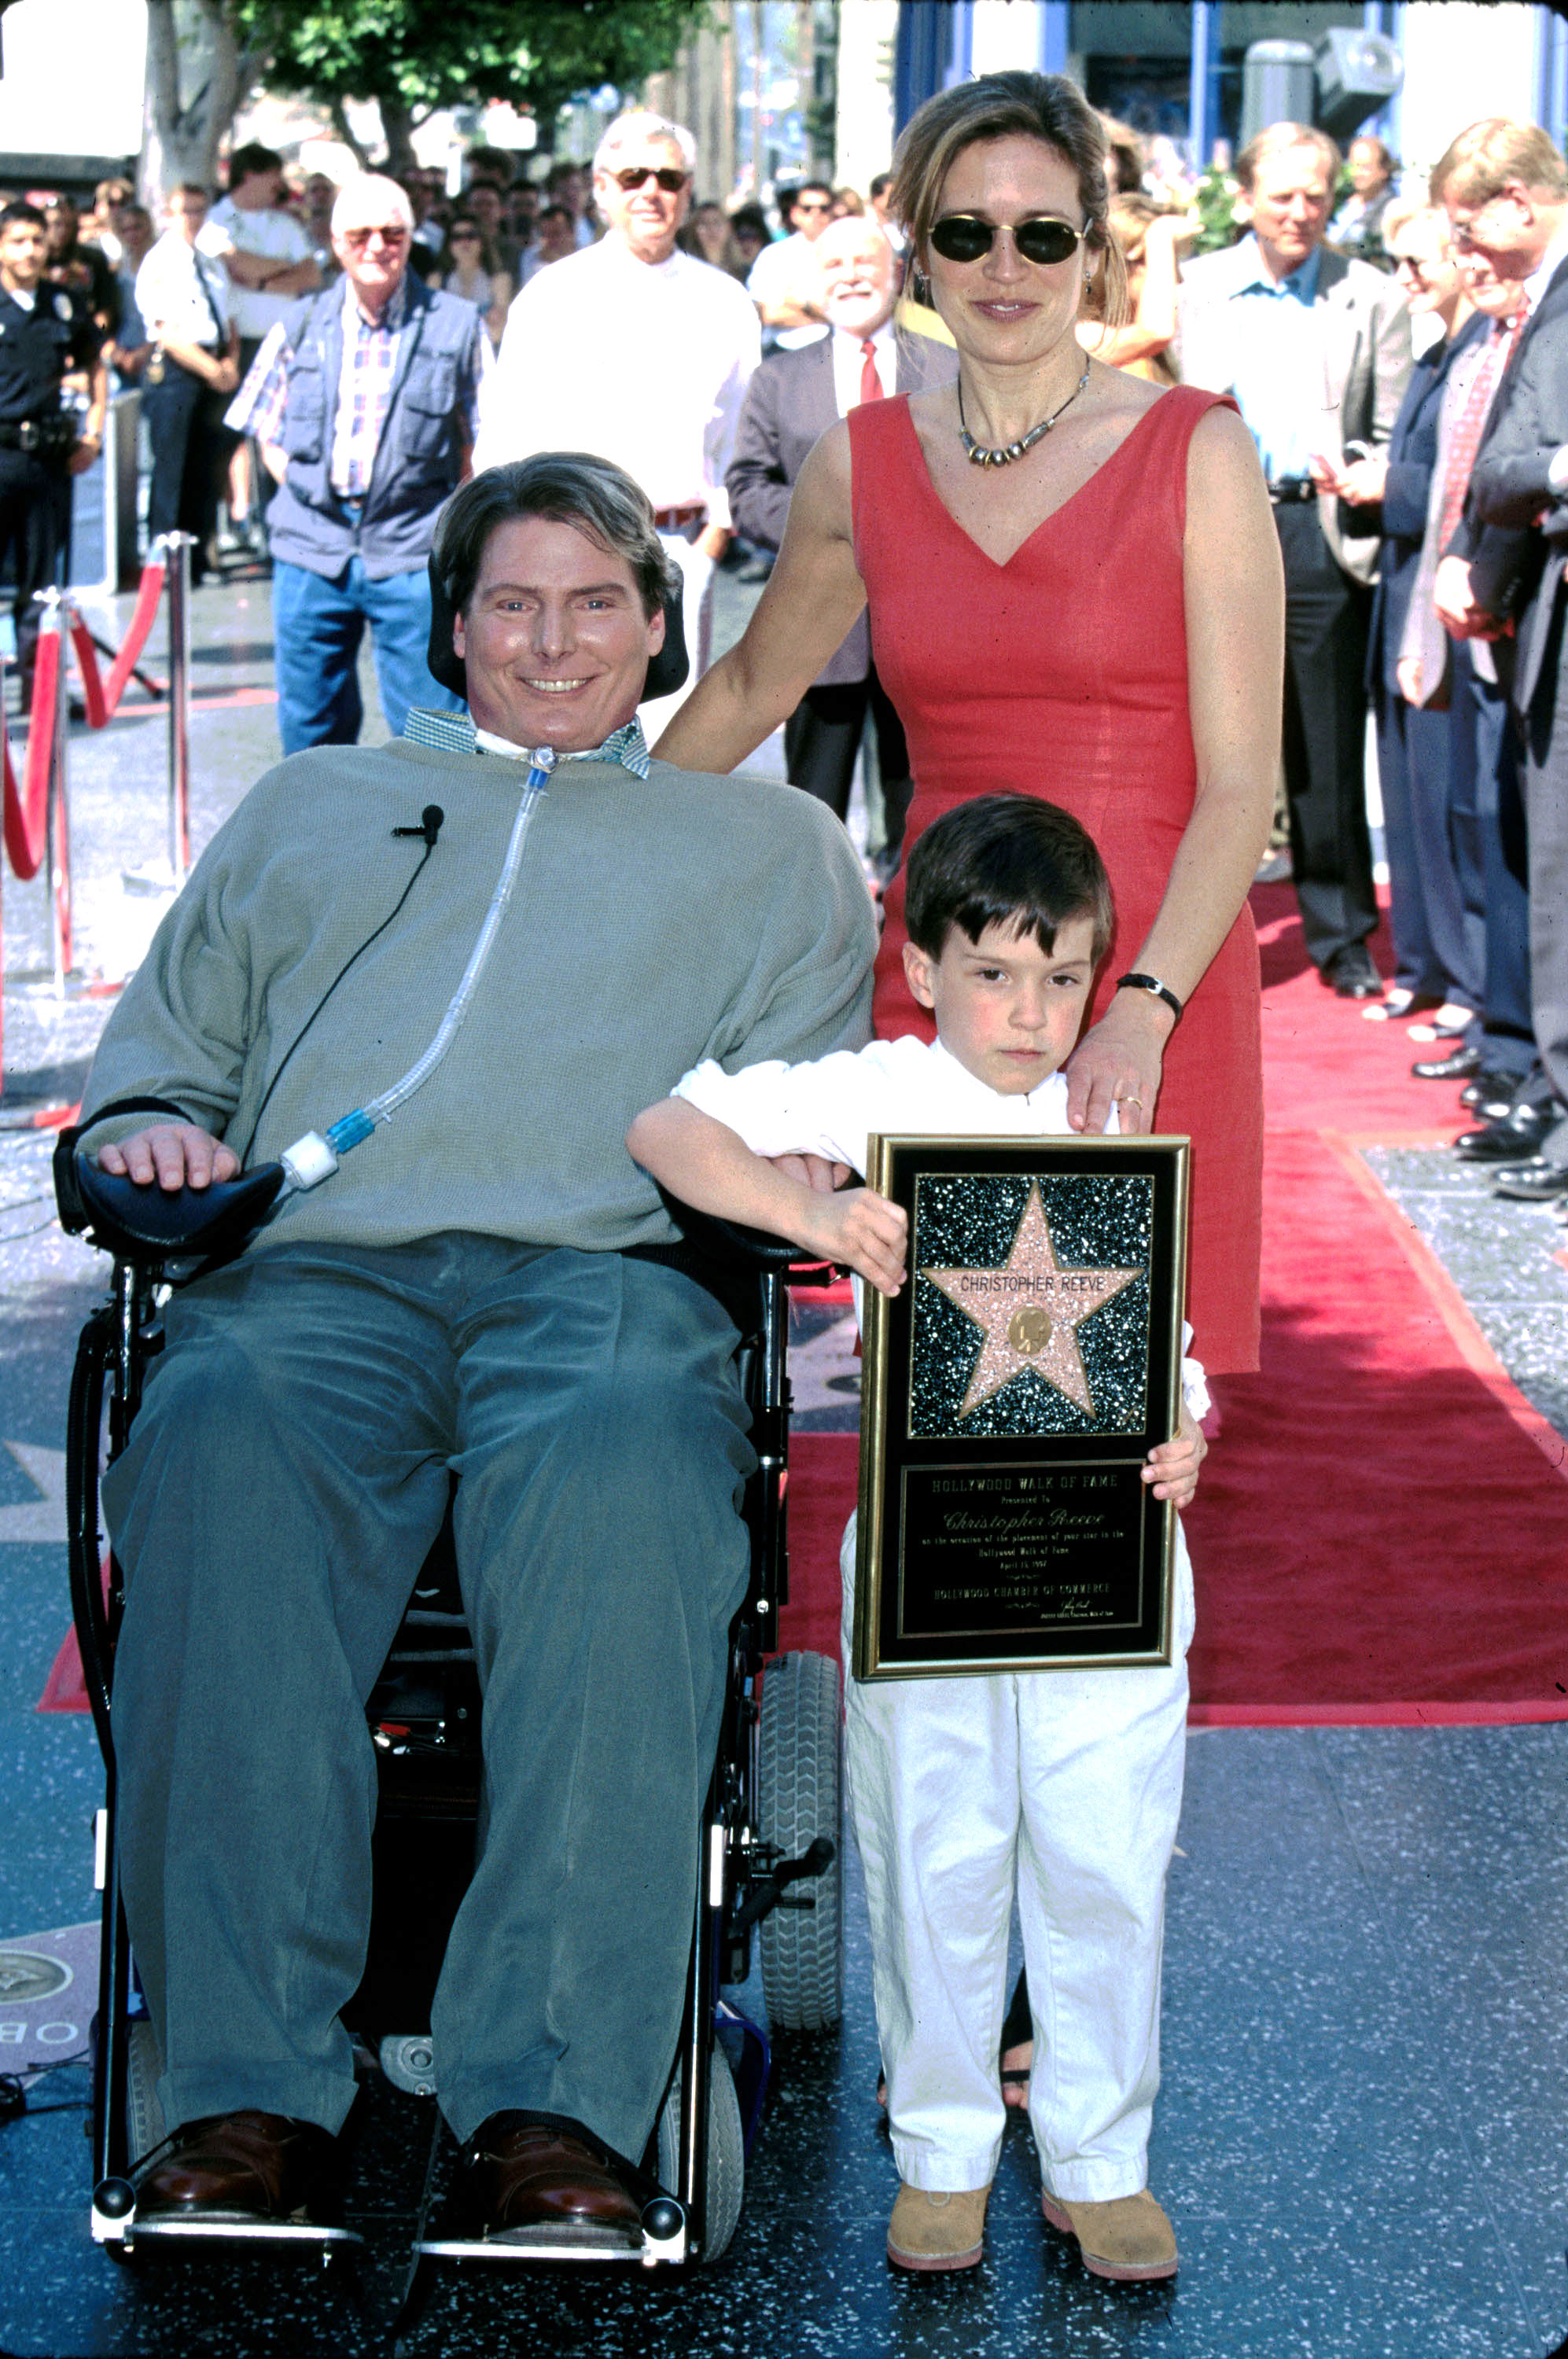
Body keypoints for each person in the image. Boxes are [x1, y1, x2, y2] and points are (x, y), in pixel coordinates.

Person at [76, 451, 878, 2245]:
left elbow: (794, 1122)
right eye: (511, 601)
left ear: (658, 626)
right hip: (313, 1285)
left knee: (620, 1469)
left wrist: (801, 1169)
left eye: (596, 600)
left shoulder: (765, 852)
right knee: (218, 1437)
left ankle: (553, 2104)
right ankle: (234, 2087)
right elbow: (156, 1066)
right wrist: (150, 1138)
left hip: (601, 1280)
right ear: (448, 626)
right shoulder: (313, 803)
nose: (552, 639)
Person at [628, 793, 1208, 2280]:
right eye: (995, 974)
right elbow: (666, 1130)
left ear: (1098, 976)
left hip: (1107, 1547)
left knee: (1103, 1849)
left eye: (1062, 977)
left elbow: (1157, 1314)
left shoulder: (1107, 1107)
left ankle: (1097, 2152)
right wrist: (811, 1218)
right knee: (935, 1848)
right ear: (923, 962)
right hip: (926, 1555)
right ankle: (941, 2145)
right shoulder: (878, 1087)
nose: (1029, 1014)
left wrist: (1184, 1426)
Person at [655, 68, 1282, 1386]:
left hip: (1144, 972)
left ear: (1094, 252)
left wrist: (1140, 1013)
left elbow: (1242, 788)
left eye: (1041, 233)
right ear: (918, 248)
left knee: (1119, 1421)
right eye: (964, 232)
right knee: (943, 1399)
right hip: (952, 977)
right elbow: (746, 690)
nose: (1003, 266)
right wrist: (574, 817)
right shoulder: (861, 457)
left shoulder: (1195, 451)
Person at [1176, 121, 1412, 998]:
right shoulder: (1200, 287)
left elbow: (1388, 425)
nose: (1300, 211)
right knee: (1209, 741)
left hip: (1321, 535)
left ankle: (1341, 934)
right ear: (1243, 199)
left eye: (1315, 194)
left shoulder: (1370, 293)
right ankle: (1198, 932)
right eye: (1281, 195)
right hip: (1223, 531)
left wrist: (1357, 470)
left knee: (1319, 744)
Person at [477, 111, 760, 736]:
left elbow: (742, 443)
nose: (651, 192)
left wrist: (712, 540)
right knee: (564, 740)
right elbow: (503, 443)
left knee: (665, 756)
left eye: (669, 177)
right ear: (602, 188)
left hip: (679, 552)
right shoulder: (553, 296)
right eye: (634, 177)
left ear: (688, 191)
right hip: (568, 557)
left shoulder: (727, 303)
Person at [225, 173, 491, 751]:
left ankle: (433, 839)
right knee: (310, 728)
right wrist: (315, 499)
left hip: (412, 551)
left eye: (392, 233)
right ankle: (320, 840)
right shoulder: (298, 325)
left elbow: (486, 439)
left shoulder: (457, 324)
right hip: (309, 554)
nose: (378, 246)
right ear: (337, 243)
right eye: (361, 234)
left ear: (411, 238)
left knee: (434, 735)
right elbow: (266, 432)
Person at [726, 214, 954, 876]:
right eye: (834, 265)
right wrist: (834, 531)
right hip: (816, 630)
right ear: (814, 283)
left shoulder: (949, 369)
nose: (851, 275)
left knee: (922, 821)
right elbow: (747, 488)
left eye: (866, 261)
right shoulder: (778, 380)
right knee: (810, 821)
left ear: (899, 273)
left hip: (924, 631)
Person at [1431, 119, 1568, 1179]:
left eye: (1467, 217)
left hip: (1547, 620)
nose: (1460, 244)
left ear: (1517, 201)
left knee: (1552, 874)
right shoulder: (1537, 303)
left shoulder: (1556, 306)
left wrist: (1547, 468)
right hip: (1529, 615)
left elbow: (1511, 464)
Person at [1315, 203, 1484, 1033]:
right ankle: (1421, 967)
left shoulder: (1475, 355)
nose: (1404, 279)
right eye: (1395, 262)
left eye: (1418, 262)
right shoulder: (1434, 351)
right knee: (1410, 794)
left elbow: (1462, 484)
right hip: (1402, 594)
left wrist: (1390, 485)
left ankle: (1459, 982)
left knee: (1444, 800)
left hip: (1440, 601)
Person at [0, 200, 105, 699]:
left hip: (46, 459)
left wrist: (95, 432)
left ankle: (40, 696)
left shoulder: (63, 302)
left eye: (37, 241)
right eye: (17, 241)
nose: (29, 251)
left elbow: (96, 363)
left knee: (42, 584)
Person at [135, 185, 241, 578]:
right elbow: (168, 332)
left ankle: (197, 557)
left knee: (205, 466)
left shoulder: (210, 262)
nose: (193, 219)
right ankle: (165, 565)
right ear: (167, 213)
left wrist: (229, 363)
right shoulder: (161, 261)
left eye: (199, 211)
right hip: (179, 372)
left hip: (213, 365)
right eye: (184, 212)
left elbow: (227, 317)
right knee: (172, 469)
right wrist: (212, 370)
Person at [745, 178, 837, 337]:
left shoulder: (848, 253)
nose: (816, 215)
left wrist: (801, 304)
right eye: (807, 209)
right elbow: (767, 314)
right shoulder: (774, 255)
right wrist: (826, 316)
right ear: (795, 214)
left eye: (824, 208)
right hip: (784, 350)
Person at [440, 210, 511, 345]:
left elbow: (499, 333)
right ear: (449, 244)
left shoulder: (500, 280)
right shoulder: (438, 280)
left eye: (471, 236)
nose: (464, 242)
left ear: (482, 241)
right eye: (457, 237)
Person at [107, 203, 156, 385]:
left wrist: (145, 352)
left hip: (155, 349)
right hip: (123, 349)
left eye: (137, 227)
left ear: (149, 226)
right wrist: (117, 352)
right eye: (126, 230)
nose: (132, 235)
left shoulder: (164, 263)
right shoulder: (119, 268)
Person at [1330, 136, 1399, 263]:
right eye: (1354, 166)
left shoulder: (1393, 209)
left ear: (1384, 170)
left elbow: (1373, 249)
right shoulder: (1345, 204)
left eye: (1365, 167)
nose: (1358, 173)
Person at [680, 198, 748, 281]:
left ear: (729, 227)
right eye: (703, 223)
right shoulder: (685, 272)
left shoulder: (744, 273)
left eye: (717, 223)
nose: (711, 229)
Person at [517, 201, 577, 285]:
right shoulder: (530, 257)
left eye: (556, 233)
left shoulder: (587, 259)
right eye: (544, 234)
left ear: (572, 233)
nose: (549, 239)